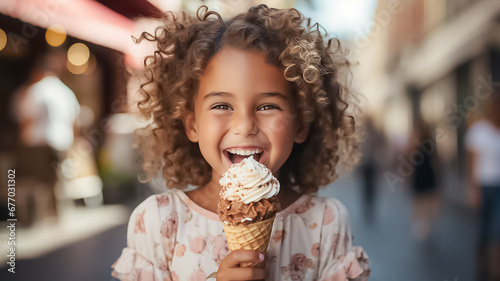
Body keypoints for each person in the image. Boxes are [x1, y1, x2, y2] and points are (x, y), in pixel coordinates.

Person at [111, 5, 370, 281]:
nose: (245, 126)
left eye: (268, 106)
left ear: (301, 125)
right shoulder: (158, 223)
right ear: (192, 124)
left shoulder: (326, 224)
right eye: (222, 105)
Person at [11, 50, 80, 224]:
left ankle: (35, 219)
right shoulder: (66, 92)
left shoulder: (35, 90)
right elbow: (75, 121)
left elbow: (26, 119)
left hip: (37, 143)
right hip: (61, 142)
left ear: (38, 71)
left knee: (34, 183)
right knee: (56, 181)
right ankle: (57, 216)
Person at [466, 92, 500, 281]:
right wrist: (472, 189)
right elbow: (471, 162)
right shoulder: (479, 130)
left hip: (499, 187)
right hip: (483, 186)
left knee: (497, 229)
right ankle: (481, 265)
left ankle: (495, 271)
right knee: (483, 229)